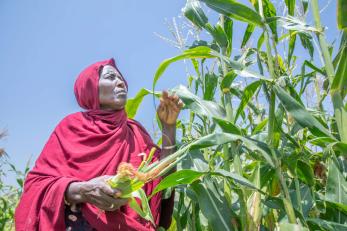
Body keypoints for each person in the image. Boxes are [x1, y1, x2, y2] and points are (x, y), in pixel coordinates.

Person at [14, 58, 183, 231]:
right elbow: (37, 185)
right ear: (90, 88)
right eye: (110, 77)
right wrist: (84, 190)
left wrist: (169, 127)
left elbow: (162, 183)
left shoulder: (136, 132)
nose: (120, 82)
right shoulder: (72, 127)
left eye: (121, 79)